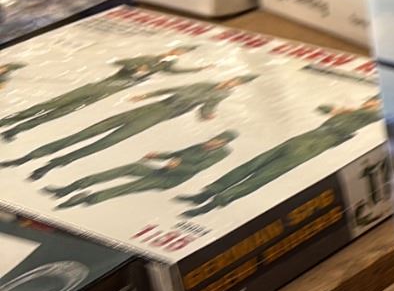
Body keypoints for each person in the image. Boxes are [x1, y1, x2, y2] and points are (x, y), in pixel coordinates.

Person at [1, 75, 256, 181]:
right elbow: (173, 88)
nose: (231, 83)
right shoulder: (205, 83)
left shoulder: (219, 95)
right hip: (152, 106)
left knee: (104, 143)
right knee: (89, 132)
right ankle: (28, 157)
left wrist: (209, 115)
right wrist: (145, 95)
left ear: (237, 86)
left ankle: (50, 165)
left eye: (237, 84)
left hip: (160, 116)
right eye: (233, 80)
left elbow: (206, 110)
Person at [178, 97, 378, 216]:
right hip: (306, 137)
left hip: (317, 144)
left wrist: (357, 110)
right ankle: (208, 192)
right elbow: (322, 107)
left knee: (265, 174)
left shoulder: (368, 115)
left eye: (376, 102)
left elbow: (379, 115)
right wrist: (339, 109)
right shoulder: (353, 111)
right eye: (372, 100)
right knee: (254, 164)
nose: (372, 103)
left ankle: (216, 202)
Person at [0, 46, 205, 140]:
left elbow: (176, 71)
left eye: (181, 54)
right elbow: (120, 62)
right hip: (100, 86)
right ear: (171, 50)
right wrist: (136, 68)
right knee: (53, 104)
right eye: (178, 52)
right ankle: (6, 122)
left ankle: (16, 129)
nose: (177, 56)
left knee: (61, 112)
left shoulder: (164, 66)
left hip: (107, 93)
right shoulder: (149, 57)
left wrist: (198, 69)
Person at [43, 131, 236, 208]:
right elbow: (177, 153)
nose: (212, 142)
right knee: (131, 167)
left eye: (218, 141)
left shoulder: (219, 154)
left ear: (223, 144)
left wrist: (178, 166)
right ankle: (70, 188)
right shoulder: (201, 145)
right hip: (162, 170)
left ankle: (88, 199)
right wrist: (157, 155)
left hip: (170, 179)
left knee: (129, 186)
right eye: (214, 138)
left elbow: (198, 167)